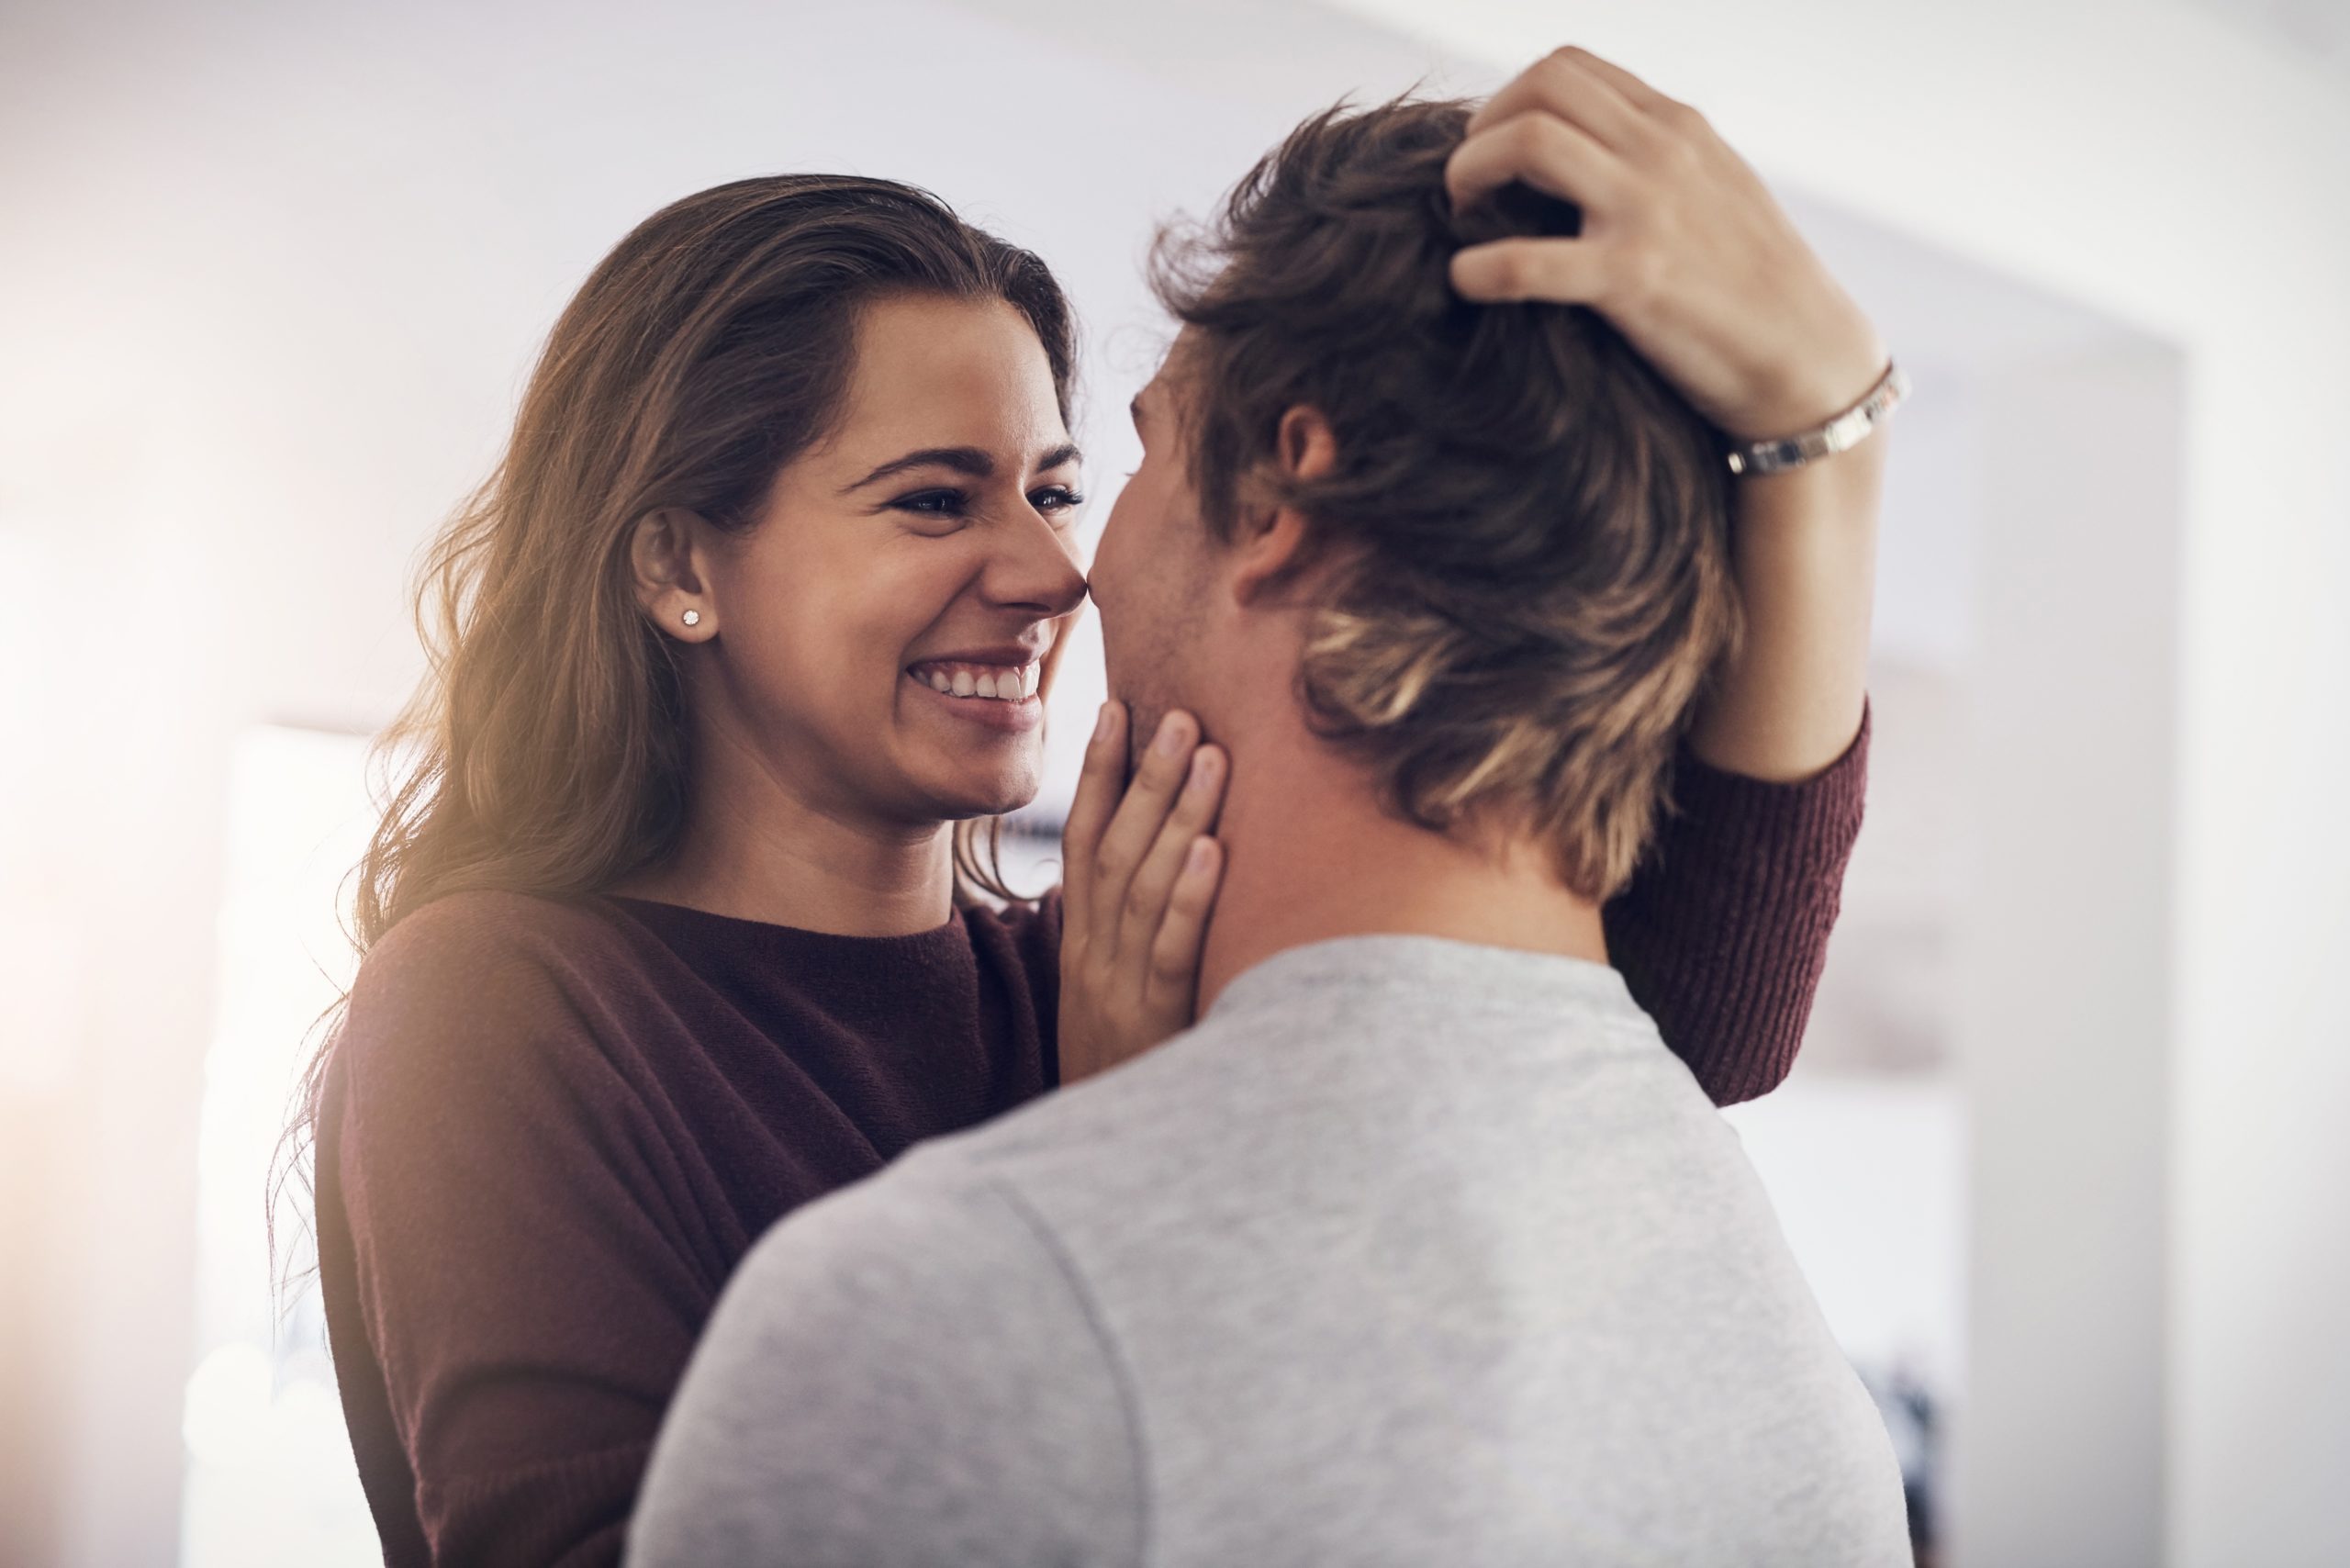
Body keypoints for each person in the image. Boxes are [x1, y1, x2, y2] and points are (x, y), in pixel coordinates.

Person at [307, 47, 1885, 1568]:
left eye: (1056, 487)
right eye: (935, 497)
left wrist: (1821, 441)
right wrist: (1117, 1141)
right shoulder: (495, 1001)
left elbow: (1665, 1019)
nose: (1053, 571)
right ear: (675, 566)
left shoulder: (1117, 940)